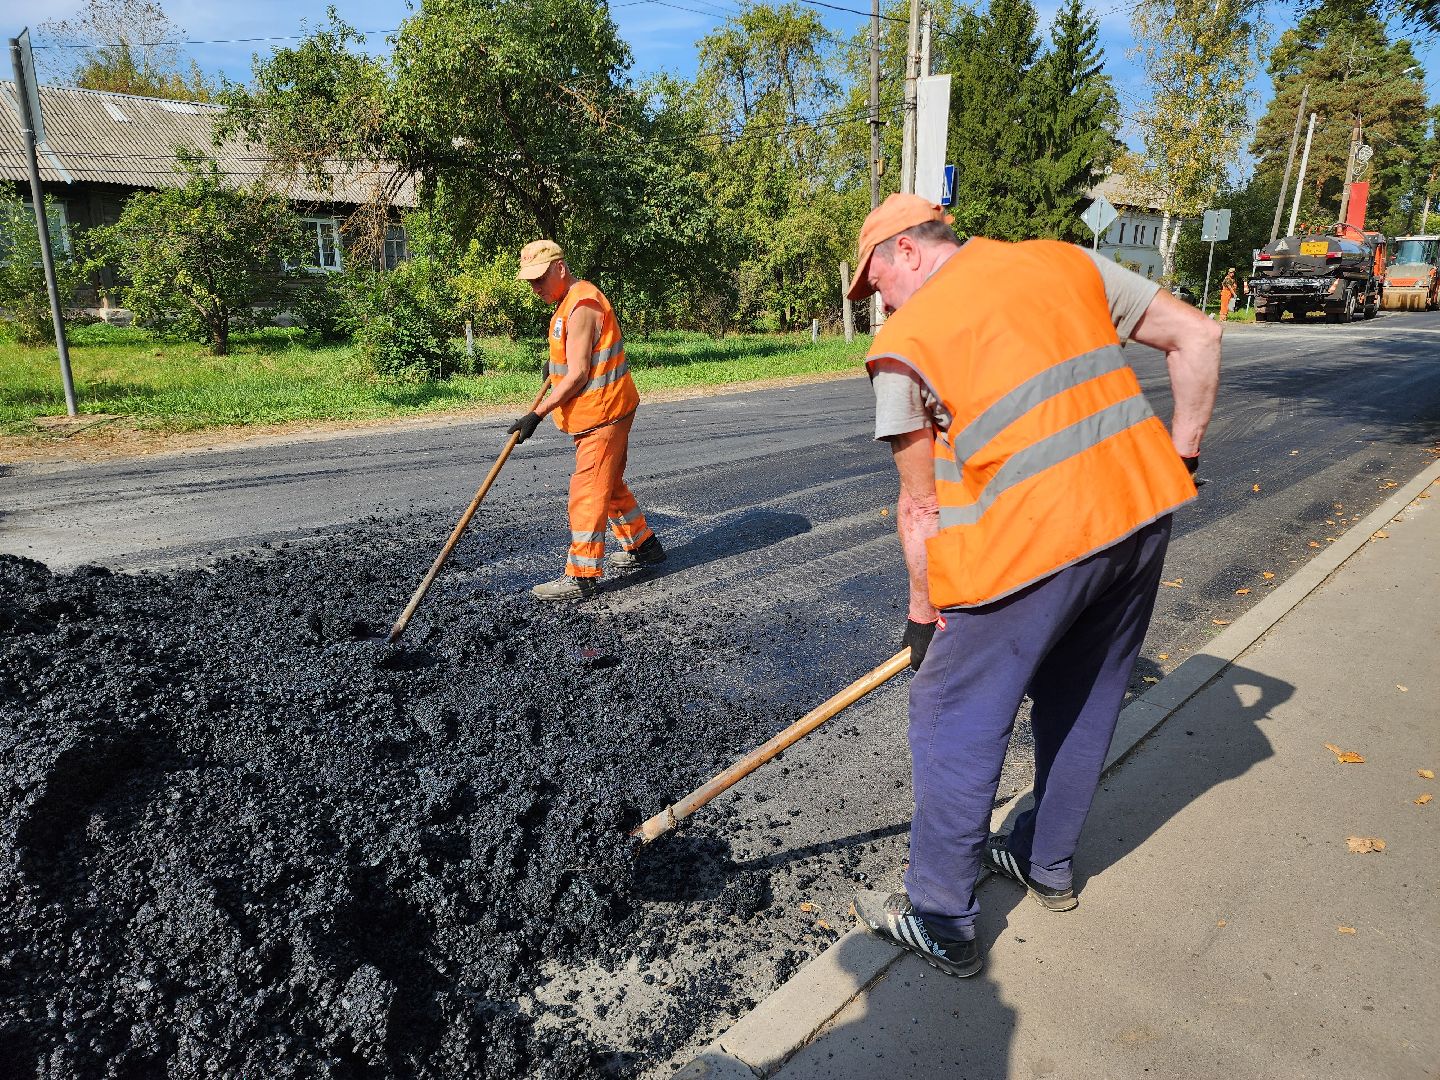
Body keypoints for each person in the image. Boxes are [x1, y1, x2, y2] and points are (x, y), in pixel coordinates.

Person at [844, 195, 1221, 978]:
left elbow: (919, 504)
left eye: (873, 281)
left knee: (950, 710)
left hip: (1028, 546)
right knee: (1082, 694)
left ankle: (940, 916)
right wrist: (1180, 457)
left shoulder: (905, 342)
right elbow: (1198, 334)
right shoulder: (1061, 259)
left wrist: (924, 616)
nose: (875, 301)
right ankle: (1045, 864)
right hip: (1141, 516)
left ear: (906, 251)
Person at [508, 239, 665, 601]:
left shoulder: (582, 303)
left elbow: (578, 374)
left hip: (604, 413)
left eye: (540, 279)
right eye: (530, 281)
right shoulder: (567, 300)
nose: (535, 287)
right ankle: (644, 545)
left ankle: (581, 574)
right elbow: (577, 356)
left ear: (560, 268)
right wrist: (555, 361)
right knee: (606, 482)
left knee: (587, 489)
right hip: (599, 412)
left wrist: (537, 413)